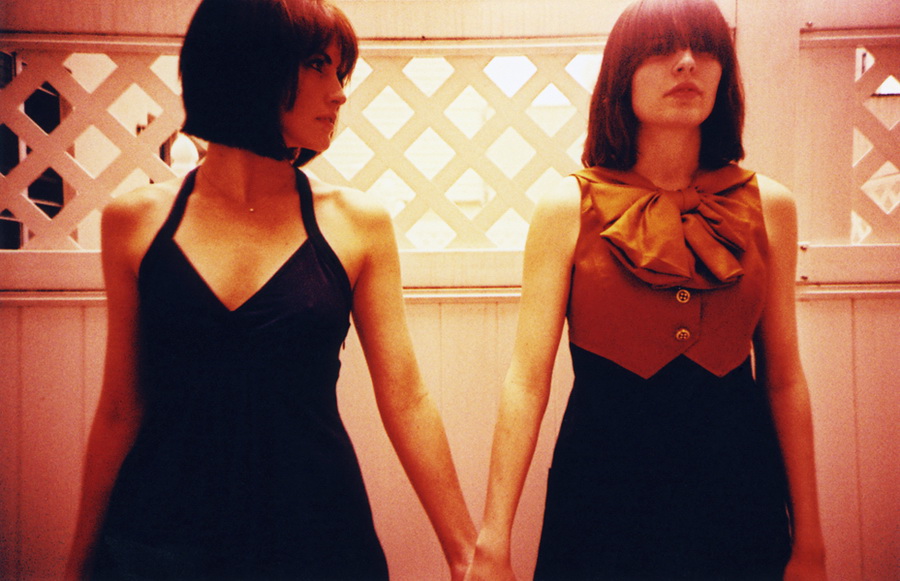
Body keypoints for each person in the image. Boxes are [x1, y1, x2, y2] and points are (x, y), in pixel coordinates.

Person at [65, 0, 475, 578]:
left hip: (316, 537)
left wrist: (466, 554)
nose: (339, 93)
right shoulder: (135, 222)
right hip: (162, 541)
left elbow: (406, 397)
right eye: (318, 65)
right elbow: (119, 409)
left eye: (341, 71)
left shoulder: (356, 224)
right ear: (250, 64)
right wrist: (78, 566)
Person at [465, 0, 826, 579]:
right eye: (661, 48)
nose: (687, 62)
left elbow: (784, 378)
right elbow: (527, 381)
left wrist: (810, 542)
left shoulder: (770, 206)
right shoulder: (567, 207)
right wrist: (492, 540)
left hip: (738, 498)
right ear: (621, 74)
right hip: (602, 500)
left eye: (704, 48)